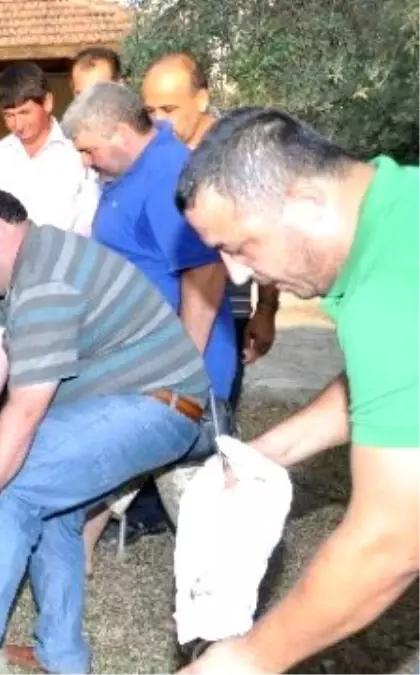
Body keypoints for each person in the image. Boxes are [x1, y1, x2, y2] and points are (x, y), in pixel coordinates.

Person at [0, 185, 210, 673]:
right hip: (143, 403)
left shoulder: (45, 281)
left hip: (156, 407)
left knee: (5, 487)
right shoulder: (34, 263)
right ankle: (61, 657)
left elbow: (26, 409)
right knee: (56, 510)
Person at [174, 108, 420, 674]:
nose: (235, 277)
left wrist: (245, 660)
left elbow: (392, 538)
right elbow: (392, 388)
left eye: (241, 247)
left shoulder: (393, 290)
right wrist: (263, 455)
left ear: (306, 204)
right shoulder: (395, 213)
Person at [62, 81, 237, 526]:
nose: (84, 163)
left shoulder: (165, 174)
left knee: (204, 517)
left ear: (120, 133)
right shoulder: (130, 170)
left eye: (88, 150)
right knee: (99, 469)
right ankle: (77, 559)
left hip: (179, 377)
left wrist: (181, 368)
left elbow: (206, 271)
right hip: (138, 364)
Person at [141, 52, 280, 417]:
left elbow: (263, 234)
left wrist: (265, 309)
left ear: (202, 98)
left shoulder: (237, 154)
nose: (158, 122)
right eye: (150, 111)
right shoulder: (155, 157)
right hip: (167, 314)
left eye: (168, 109)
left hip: (226, 315)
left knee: (213, 419)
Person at [0, 61, 100, 335]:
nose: (18, 125)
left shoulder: (78, 153)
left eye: (25, 112)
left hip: (63, 291)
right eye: (9, 115)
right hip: (0, 293)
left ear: (48, 102)